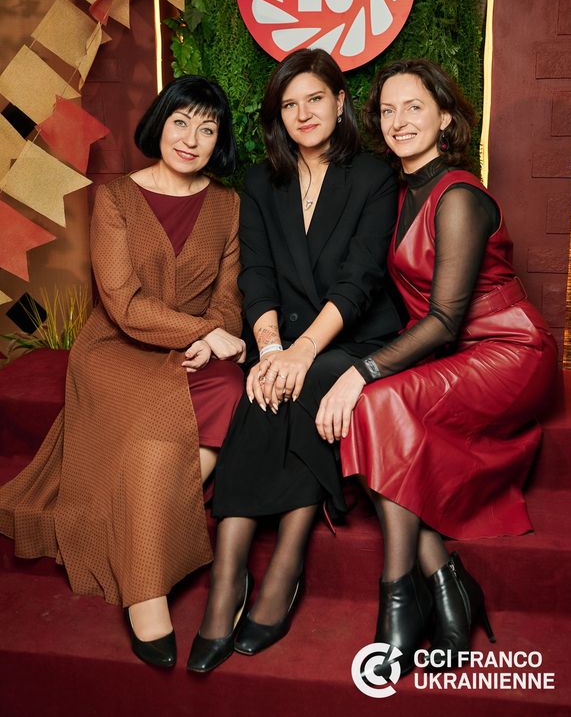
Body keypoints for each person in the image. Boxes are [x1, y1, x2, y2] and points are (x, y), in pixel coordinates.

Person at [315, 59, 558, 676]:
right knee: (373, 408)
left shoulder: (458, 195)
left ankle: (399, 600)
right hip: (455, 354)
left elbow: (446, 319)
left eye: (414, 107)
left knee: (372, 398)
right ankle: (446, 581)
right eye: (387, 111)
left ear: (445, 117)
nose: (398, 121)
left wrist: (360, 371)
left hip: (509, 350)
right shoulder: (398, 193)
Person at [0, 75, 247, 668]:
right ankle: (145, 592)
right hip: (117, 348)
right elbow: (123, 302)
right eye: (181, 122)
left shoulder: (228, 205)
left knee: (228, 390)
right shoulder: (115, 198)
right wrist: (200, 332)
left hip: (199, 351)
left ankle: (147, 527)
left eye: (207, 129)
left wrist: (212, 337)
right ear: (160, 124)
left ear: (219, 142)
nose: (191, 139)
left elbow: (228, 298)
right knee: (156, 434)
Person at [187, 48, 405, 672]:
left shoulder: (374, 176)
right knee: (261, 388)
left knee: (303, 384)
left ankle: (284, 566)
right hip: (282, 337)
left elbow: (361, 280)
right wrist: (272, 349)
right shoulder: (261, 182)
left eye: (315, 99)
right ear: (277, 116)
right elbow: (255, 275)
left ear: (340, 102)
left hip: (353, 337)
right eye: (290, 104)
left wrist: (301, 354)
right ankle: (229, 576)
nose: (304, 113)